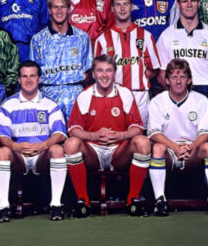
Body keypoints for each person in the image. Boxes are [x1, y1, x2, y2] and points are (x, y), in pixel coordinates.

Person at [64, 55, 152, 217]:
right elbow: (74, 129)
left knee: (143, 142)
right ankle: (83, 201)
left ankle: (133, 200)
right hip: (93, 151)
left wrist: (121, 135)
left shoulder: (124, 93)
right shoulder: (85, 95)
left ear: (114, 73)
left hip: (119, 151)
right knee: (71, 144)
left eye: (109, 70)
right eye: (100, 70)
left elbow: (137, 127)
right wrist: (94, 135)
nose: (104, 75)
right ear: (93, 74)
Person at [0, 61, 68, 222]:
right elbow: (1, 137)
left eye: (32, 76)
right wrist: (15, 146)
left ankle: (56, 205)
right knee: (1, 152)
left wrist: (44, 145)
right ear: (19, 80)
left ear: (39, 79)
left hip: (41, 155)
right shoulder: (8, 104)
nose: (28, 80)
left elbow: (60, 133)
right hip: (18, 156)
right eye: (24, 76)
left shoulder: (50, 104)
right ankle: (3, 207)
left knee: (57, 149)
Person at [147, 59, 208, 216]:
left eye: (182, 76)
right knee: (157, 147)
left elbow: (207, 132)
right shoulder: (157, 101)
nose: (178, 80)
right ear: (167, 80)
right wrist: (175, 147)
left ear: (189, 80)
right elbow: (154, 133)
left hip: (192, 151)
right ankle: (160, 200)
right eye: (174, 77)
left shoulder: (201, 100)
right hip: (169, 150)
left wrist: (190, 146)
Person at [94, 0, 160, 127]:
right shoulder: (102, 40)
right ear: (112, 8)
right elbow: (97, 73)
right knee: (114, 137)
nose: (122, 8)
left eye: (125, 4)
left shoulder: (146, 36)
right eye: (118, 5)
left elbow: (153, 69)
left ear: (131, 7)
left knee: (141, 139)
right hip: (113, 97)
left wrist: (139, 77)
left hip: (139, 96)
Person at [156, 0, 208, 109]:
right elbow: (161, 74)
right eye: (184, 1)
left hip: (204, 92)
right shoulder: (166, 35)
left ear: (199, 3)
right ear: (178, 4)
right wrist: (174, 93)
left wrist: (203, 83)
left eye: (193, 1)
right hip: (176, 93)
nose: (189, 5)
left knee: (205, 129)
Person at [29, 0, 92, 119]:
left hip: (76, 97)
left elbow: (88, 70)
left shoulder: (82, 37)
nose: (59, 11)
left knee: (77, 138)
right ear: (49, 10)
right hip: (48, 98)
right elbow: (33, 74)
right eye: (55, 7)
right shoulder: (38, 40)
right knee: (51, 137)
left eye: (63, 6)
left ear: (69, 9)